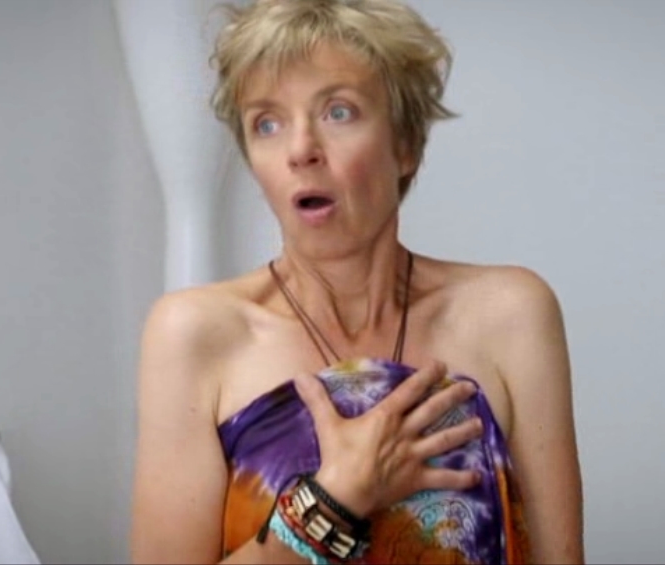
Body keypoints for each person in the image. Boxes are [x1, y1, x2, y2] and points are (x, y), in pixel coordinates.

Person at [129, 0, 584, 563]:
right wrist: (334, 501)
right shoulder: (194, 333)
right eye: (267, 123)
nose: (300, 150)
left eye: (337, 112)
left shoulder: (511, 314)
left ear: (405, 144)